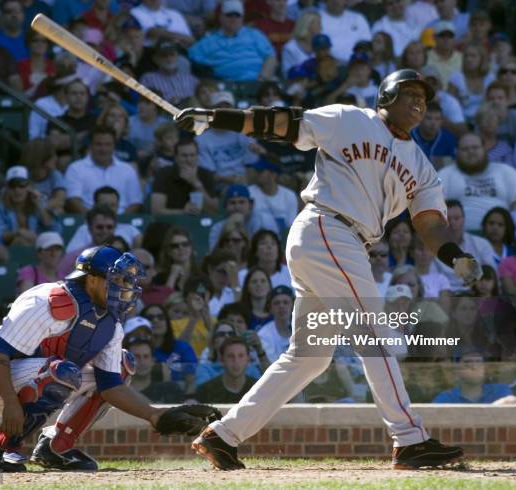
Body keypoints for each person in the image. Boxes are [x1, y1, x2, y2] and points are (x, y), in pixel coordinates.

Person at [175, 68, 482, 470]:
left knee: (310, 356)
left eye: (424, 97)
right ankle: (410, 439)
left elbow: (430, 223)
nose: (419, 102)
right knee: (374, 332)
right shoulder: (351, 119)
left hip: (343, 241)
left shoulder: (421, 166)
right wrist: (220, 118)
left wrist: (454, 255)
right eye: (410, 93)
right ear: (387, 95)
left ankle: (224, 434)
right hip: (327, 225)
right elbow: (282, 123)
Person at [0, 246, 218, 472]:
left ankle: (55, 447)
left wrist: (156, 416)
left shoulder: (110, 323)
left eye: (126, 280)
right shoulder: (47, 300)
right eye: (117, 279)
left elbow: (111, 387)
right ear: (92, 279)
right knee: (62, 371)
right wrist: (11, 403)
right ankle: (0, 444)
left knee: (122, 365)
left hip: (39, 378)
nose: (124, 287)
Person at [438, 133, 516, 231]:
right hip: (459, 236)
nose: (471, 152)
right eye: (465, 149)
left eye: (475, 148)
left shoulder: (506, 171)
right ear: (457, 152)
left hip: (501, 234)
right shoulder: (445, 174)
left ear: (484, 149)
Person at [187, 0, 277, 81]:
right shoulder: (209, 41)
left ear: (242, 18)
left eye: (237, 15)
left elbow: (271, 57)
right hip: (226, 85)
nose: (233, 19)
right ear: (221, 17)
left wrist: (263, 77)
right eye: (229, 15)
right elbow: (191, 55)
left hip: (258, 81)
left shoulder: (254, 35)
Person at [65, 126, 143, 214]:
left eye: (108, 144)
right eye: (99, 144)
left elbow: (135, 203)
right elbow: (73, 200)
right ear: (90, 145)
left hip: (122, 222)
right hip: (87, 222)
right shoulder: (75, 168)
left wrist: (118, 221)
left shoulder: (128, 169)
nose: (103, 149)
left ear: (114, 146)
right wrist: (93, 220)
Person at [433, 200, 495, 292]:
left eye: (456, 218)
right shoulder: (432, 248)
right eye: (447, 219)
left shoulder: (482, 244)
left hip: (476, 294)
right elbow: (432, 280)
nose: (452, 222)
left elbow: (491, 274)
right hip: (445, 295)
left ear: (464, 219)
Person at [0, 166, 56, 247]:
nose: (17, 190)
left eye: (21, 185)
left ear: (29, 186)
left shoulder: (37, 202)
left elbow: (53, 228)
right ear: (6, 188)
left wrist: (39, 205)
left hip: (39, 249)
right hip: (9, 253)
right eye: (12, 186)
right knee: (20, 241)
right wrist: (19, 232)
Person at [151, 139, 218, 216]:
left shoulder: (206, 174)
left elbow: (214, 211)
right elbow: (156, 210)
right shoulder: (164, 174)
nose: (189, 160)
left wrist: (196, 183)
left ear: (197, 157)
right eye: (184, 156)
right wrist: (183, 212)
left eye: (192, 155)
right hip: (171, 223)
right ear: (176, 157)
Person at [140, 303, 197, 393]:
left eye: (161, 317)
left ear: (167, 322)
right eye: (150, 318)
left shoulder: (183, 348)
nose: (155, 320)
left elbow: (191, 383)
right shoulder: (136, 351)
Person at [66, 187, 141, 253]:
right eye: (105, 205)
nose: (109, 208)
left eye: (113, 205)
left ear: (118, 206)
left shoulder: (130, 230)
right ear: (95, 205)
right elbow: (72, 255)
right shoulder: (84, 229)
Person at [208, 184, 279, 250]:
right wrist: (226, 230)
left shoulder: (264, 221)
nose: (237, 207)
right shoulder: (217, 228)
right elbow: (213, 258)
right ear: (226, 206)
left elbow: (273, 250)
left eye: (241, 202)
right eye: (232, 203)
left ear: (251, 204)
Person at [432, 349, 513, 403]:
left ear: (485, 369)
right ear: (457, 369)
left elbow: (513, 404)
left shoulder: (500, 391)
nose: (474, 366)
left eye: (478, 361)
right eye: (467, 362)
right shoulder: (446, 399)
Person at [58, 205, 117, 276]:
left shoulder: (123, 255)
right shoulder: (74, 257)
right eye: (99, 227)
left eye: (109, 227)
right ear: (89, 228)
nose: (105, 231)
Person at [195, 337, 257, 403]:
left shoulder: (258, 389)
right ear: (222, 360)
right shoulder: (205, 391)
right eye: (230, 356)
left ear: (248, 359)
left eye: (241, 356)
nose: (236, 361)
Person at [139, 40, 198, 107]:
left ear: (177, 56)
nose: (169, 59)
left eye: (172, 55)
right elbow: (145, 103)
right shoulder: (148, 79)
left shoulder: (191, 79)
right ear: (155, 59)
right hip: (165, 114)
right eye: (164, 56)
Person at [248, 158, 298, 233]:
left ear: (273, 175)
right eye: (257, 171)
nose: (257, 173)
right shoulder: (249, 192)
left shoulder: (289, 195)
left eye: (260, 171)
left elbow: (290, 226)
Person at [410, 102, 457, 170]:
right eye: (428, 118)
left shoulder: (448, 139)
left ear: (441, 121)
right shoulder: (408, 135)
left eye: (437, 119)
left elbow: (453, 165)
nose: (433, 123)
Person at [257, 285, 293, 364]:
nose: (281, 306)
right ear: (270, 308)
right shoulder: (263, 334)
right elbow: (272, 365)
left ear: (293, 306)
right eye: (276, 303)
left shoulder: (304, 330)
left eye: (286, 302)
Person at [281, 11, 321, 78]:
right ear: (308, 25)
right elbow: (287, 75)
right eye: (318, 24)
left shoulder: (320, 45)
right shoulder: (290, 48)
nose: (321, 28)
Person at [425, 20, 461, 87]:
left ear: (454, 39)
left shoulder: (462, 58)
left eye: (450, 36)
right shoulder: (424, 58)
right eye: (442, 35)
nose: (446, 39)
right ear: (434, 37)